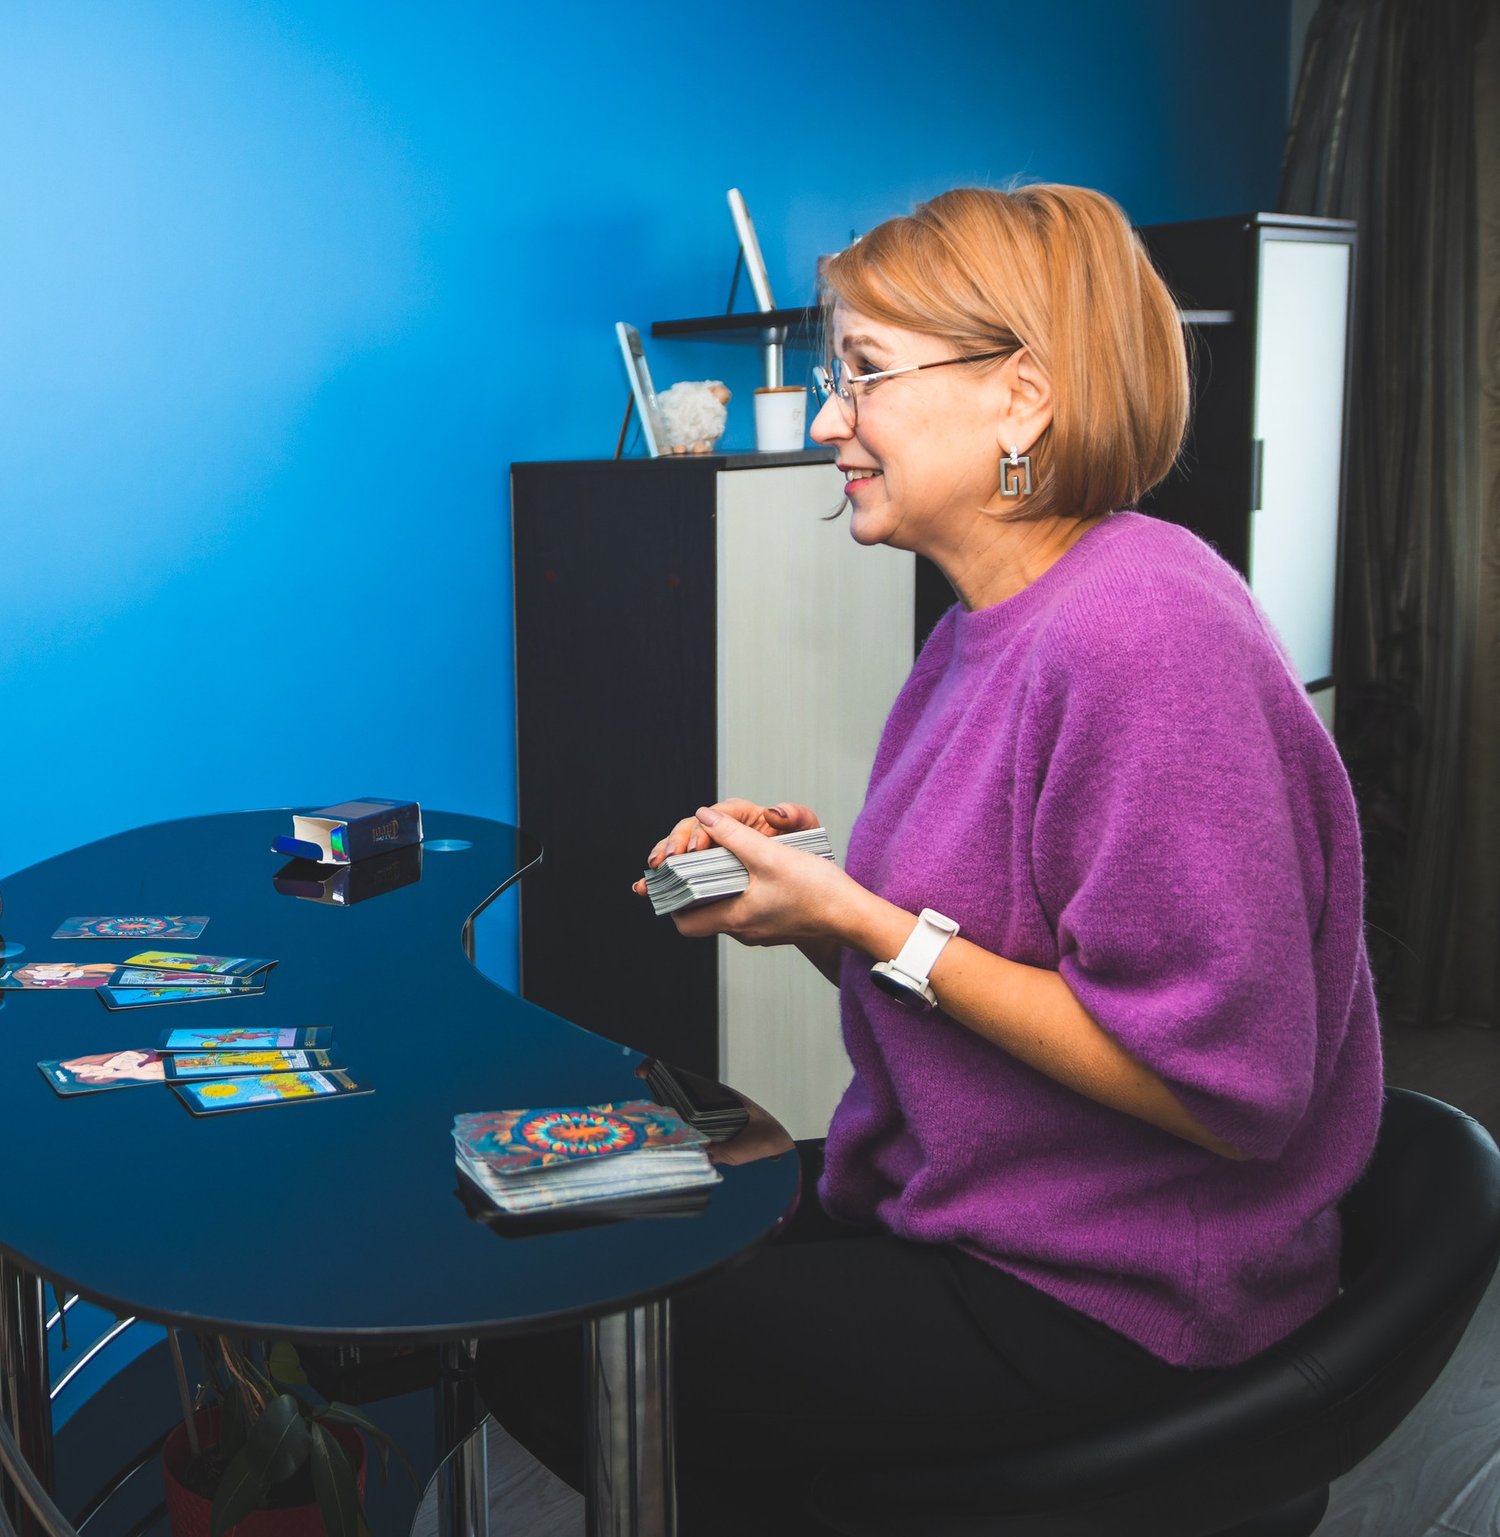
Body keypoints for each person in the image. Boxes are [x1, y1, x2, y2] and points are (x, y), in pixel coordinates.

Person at [479, 186, 1382, 1532]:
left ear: (1022, 397)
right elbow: (991, 947)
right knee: (558, 1250)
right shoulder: (980, 627)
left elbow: (1230, 1091)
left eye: (863, 374)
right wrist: (812, 905)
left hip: (1113, 1291)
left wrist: (865, 919)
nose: (827, 421)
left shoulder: (1144, 633)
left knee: (555, 1330)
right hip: (955, 1206)